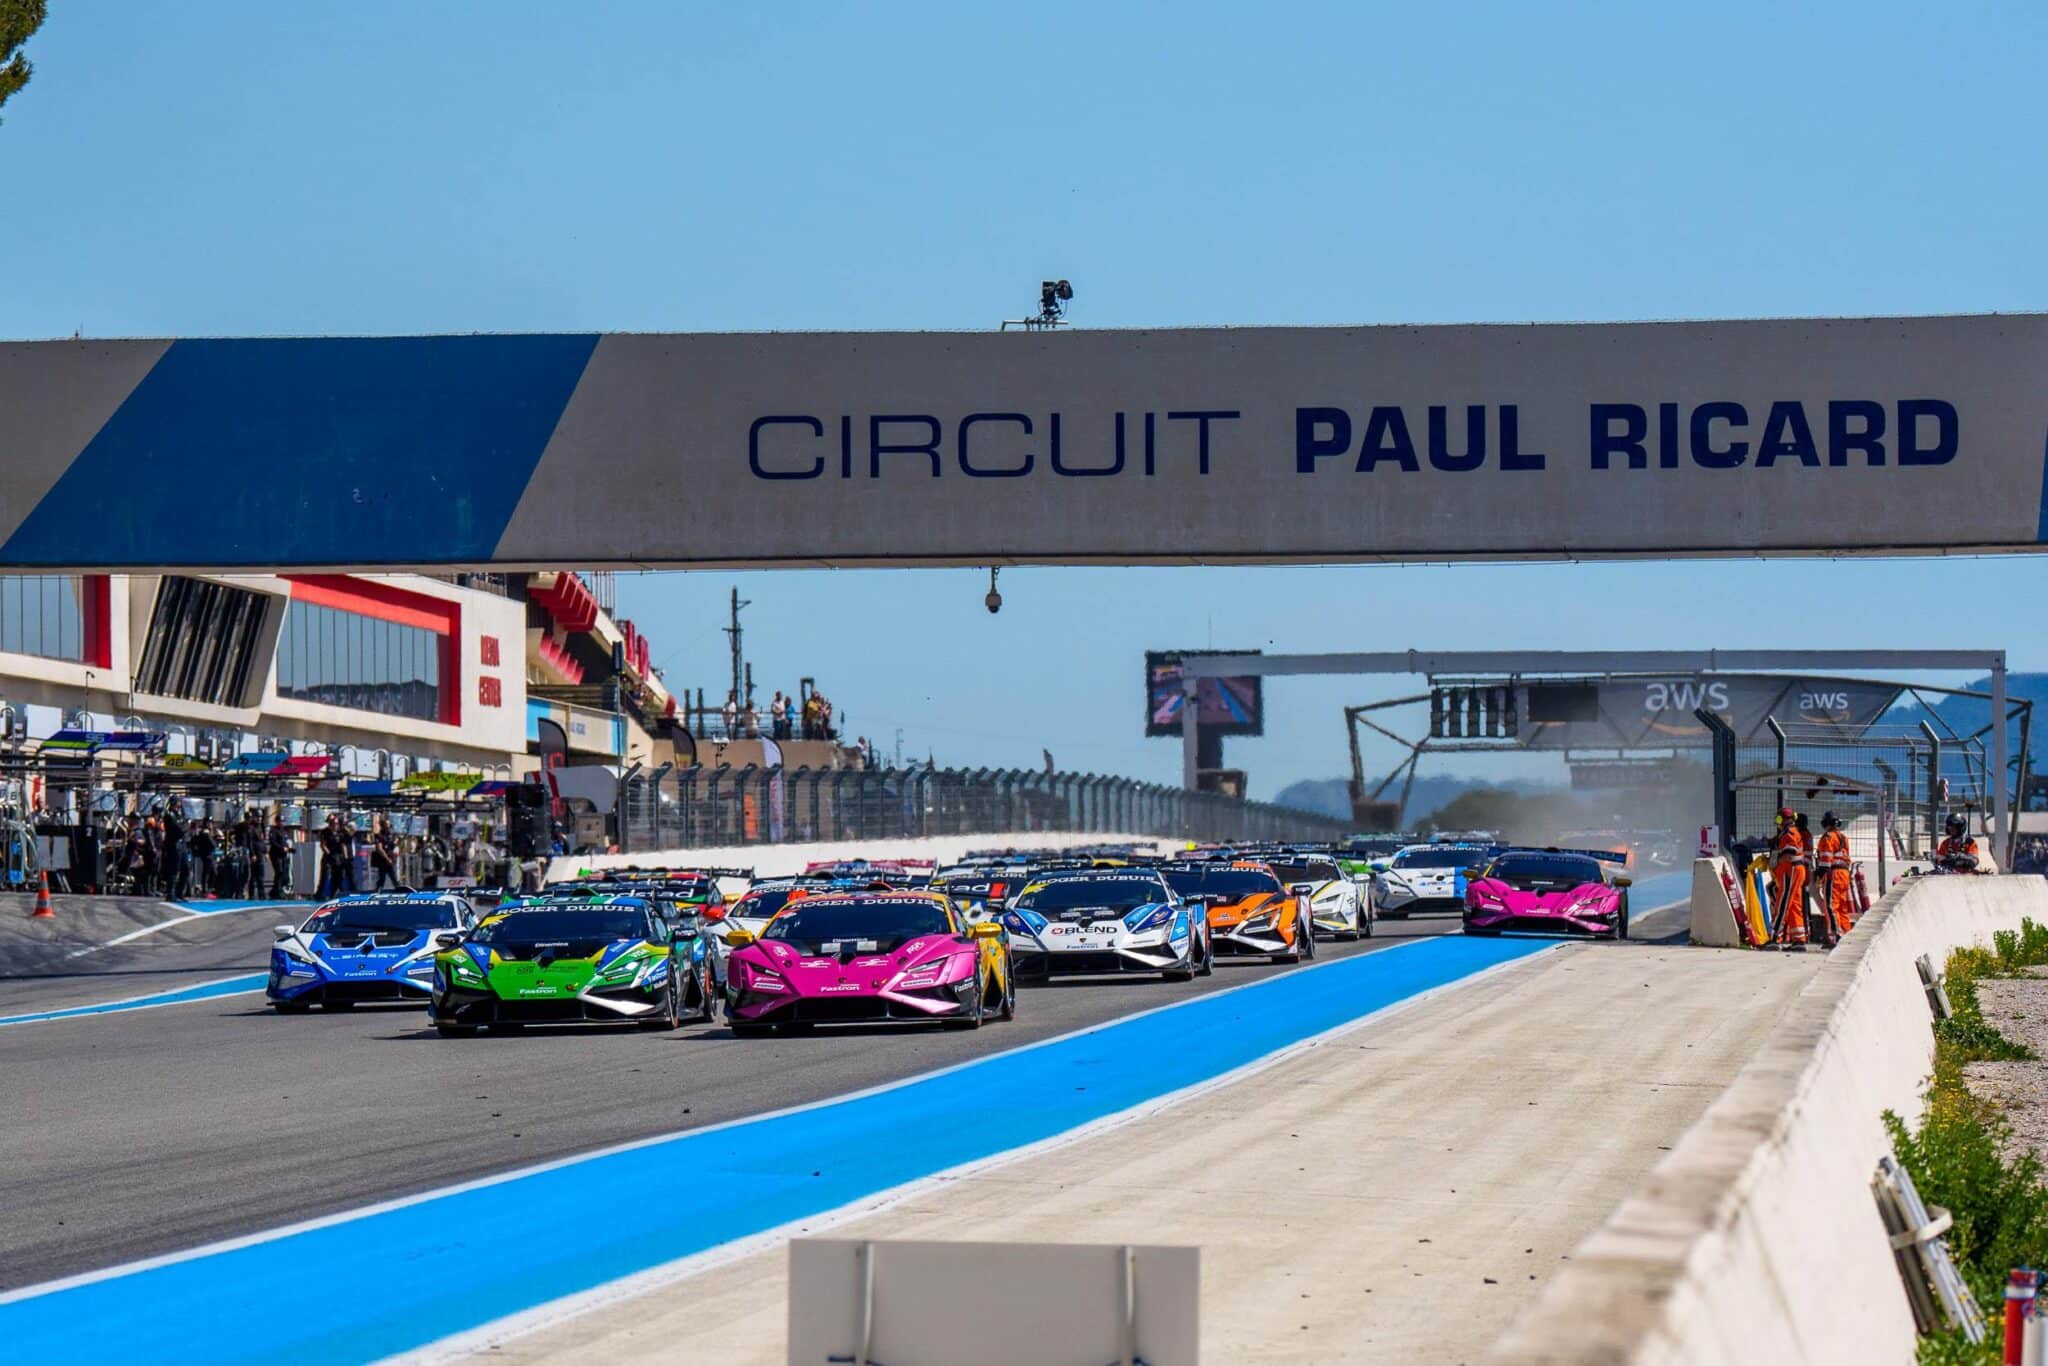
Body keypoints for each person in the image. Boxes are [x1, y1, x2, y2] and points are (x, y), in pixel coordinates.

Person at [1769, 806, 1810, 948]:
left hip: (1790, 871)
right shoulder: (1791, 832)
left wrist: (1775, 862)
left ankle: (1775, 938)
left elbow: (1788, 854)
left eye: (1779, 818)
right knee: (1794, 905)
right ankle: (1799, 939)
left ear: (1782, 819)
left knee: (1782, 903)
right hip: (1795, 871)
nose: (1777, 822)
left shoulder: (1789, 833)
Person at [1813, 811, 1855, 940]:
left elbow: (1825, 861)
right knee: (1842, 907)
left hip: (1834, 874)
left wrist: (1819, 876)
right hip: (1844, 874)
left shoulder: (1828, 838)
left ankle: (1835, 935)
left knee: (1831, 906)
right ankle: (1846, 933)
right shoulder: (1843, 838)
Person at [316, 813, 349, 899]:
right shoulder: (325, 832)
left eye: (336, 823)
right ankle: (319, 894)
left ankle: (333, 893)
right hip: (329, 857)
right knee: (325, 875)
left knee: (338, 876)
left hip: (338, 856)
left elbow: (343, 845)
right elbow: (323, 845)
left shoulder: (340, 833)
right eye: (333, 823)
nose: (335, 825)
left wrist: (345, 857)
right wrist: (329, 854)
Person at [187, 819, 218, 899]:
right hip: (206, 854)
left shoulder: (208, 832)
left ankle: (207, 890)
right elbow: (212, 844)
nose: (211, 825)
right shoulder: (205, 833)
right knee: (208, 873)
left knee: (211, 872)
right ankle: (205, 891)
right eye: (209, 823)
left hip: (208, 854)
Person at [267, 813, 293, 899]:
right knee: (279, 872)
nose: (281, 823)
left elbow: (285, 842)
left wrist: (289, 849)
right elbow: (273, 842)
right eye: (279, 821)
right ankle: (277, 891)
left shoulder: (284, 831)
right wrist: (282, 848)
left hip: (283, 855)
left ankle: (275, 890)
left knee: (284, 873)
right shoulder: (273, 831)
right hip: (276, 854)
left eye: (282, 821)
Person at [370, 818, 399, 891]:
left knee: (393, 877)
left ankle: (398, 889)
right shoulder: (379, 836)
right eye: (386, 825)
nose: (388, 827)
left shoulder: (391, 835)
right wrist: (387, 858)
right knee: (383, 877)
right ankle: (378, 890)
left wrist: (395, 841)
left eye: (389, 825)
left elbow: (392, 846)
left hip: (390, 858)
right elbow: (379, 849)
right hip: (383, 860)